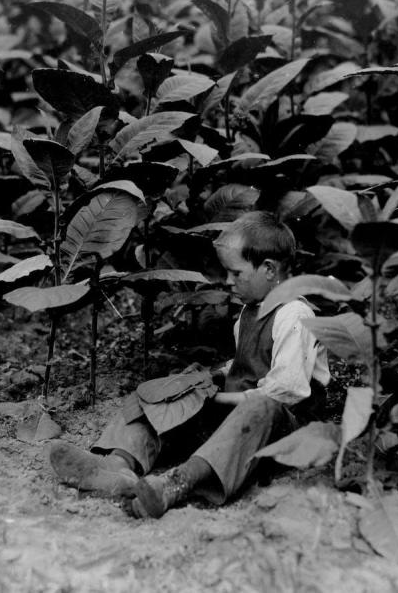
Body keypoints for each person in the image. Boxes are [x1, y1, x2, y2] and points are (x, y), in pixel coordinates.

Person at [47, 210, 330, 518]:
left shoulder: (294, 315)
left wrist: (221, 397)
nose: (227, 281)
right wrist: (210, 378)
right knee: (165, 393)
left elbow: (285, 389)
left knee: (260, 408)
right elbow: (248, 362)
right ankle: (117, 465)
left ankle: (177, 483)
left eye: (236, 273)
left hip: (281, 431)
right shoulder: (251, 311)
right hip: (239, 419)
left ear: (269, 269)